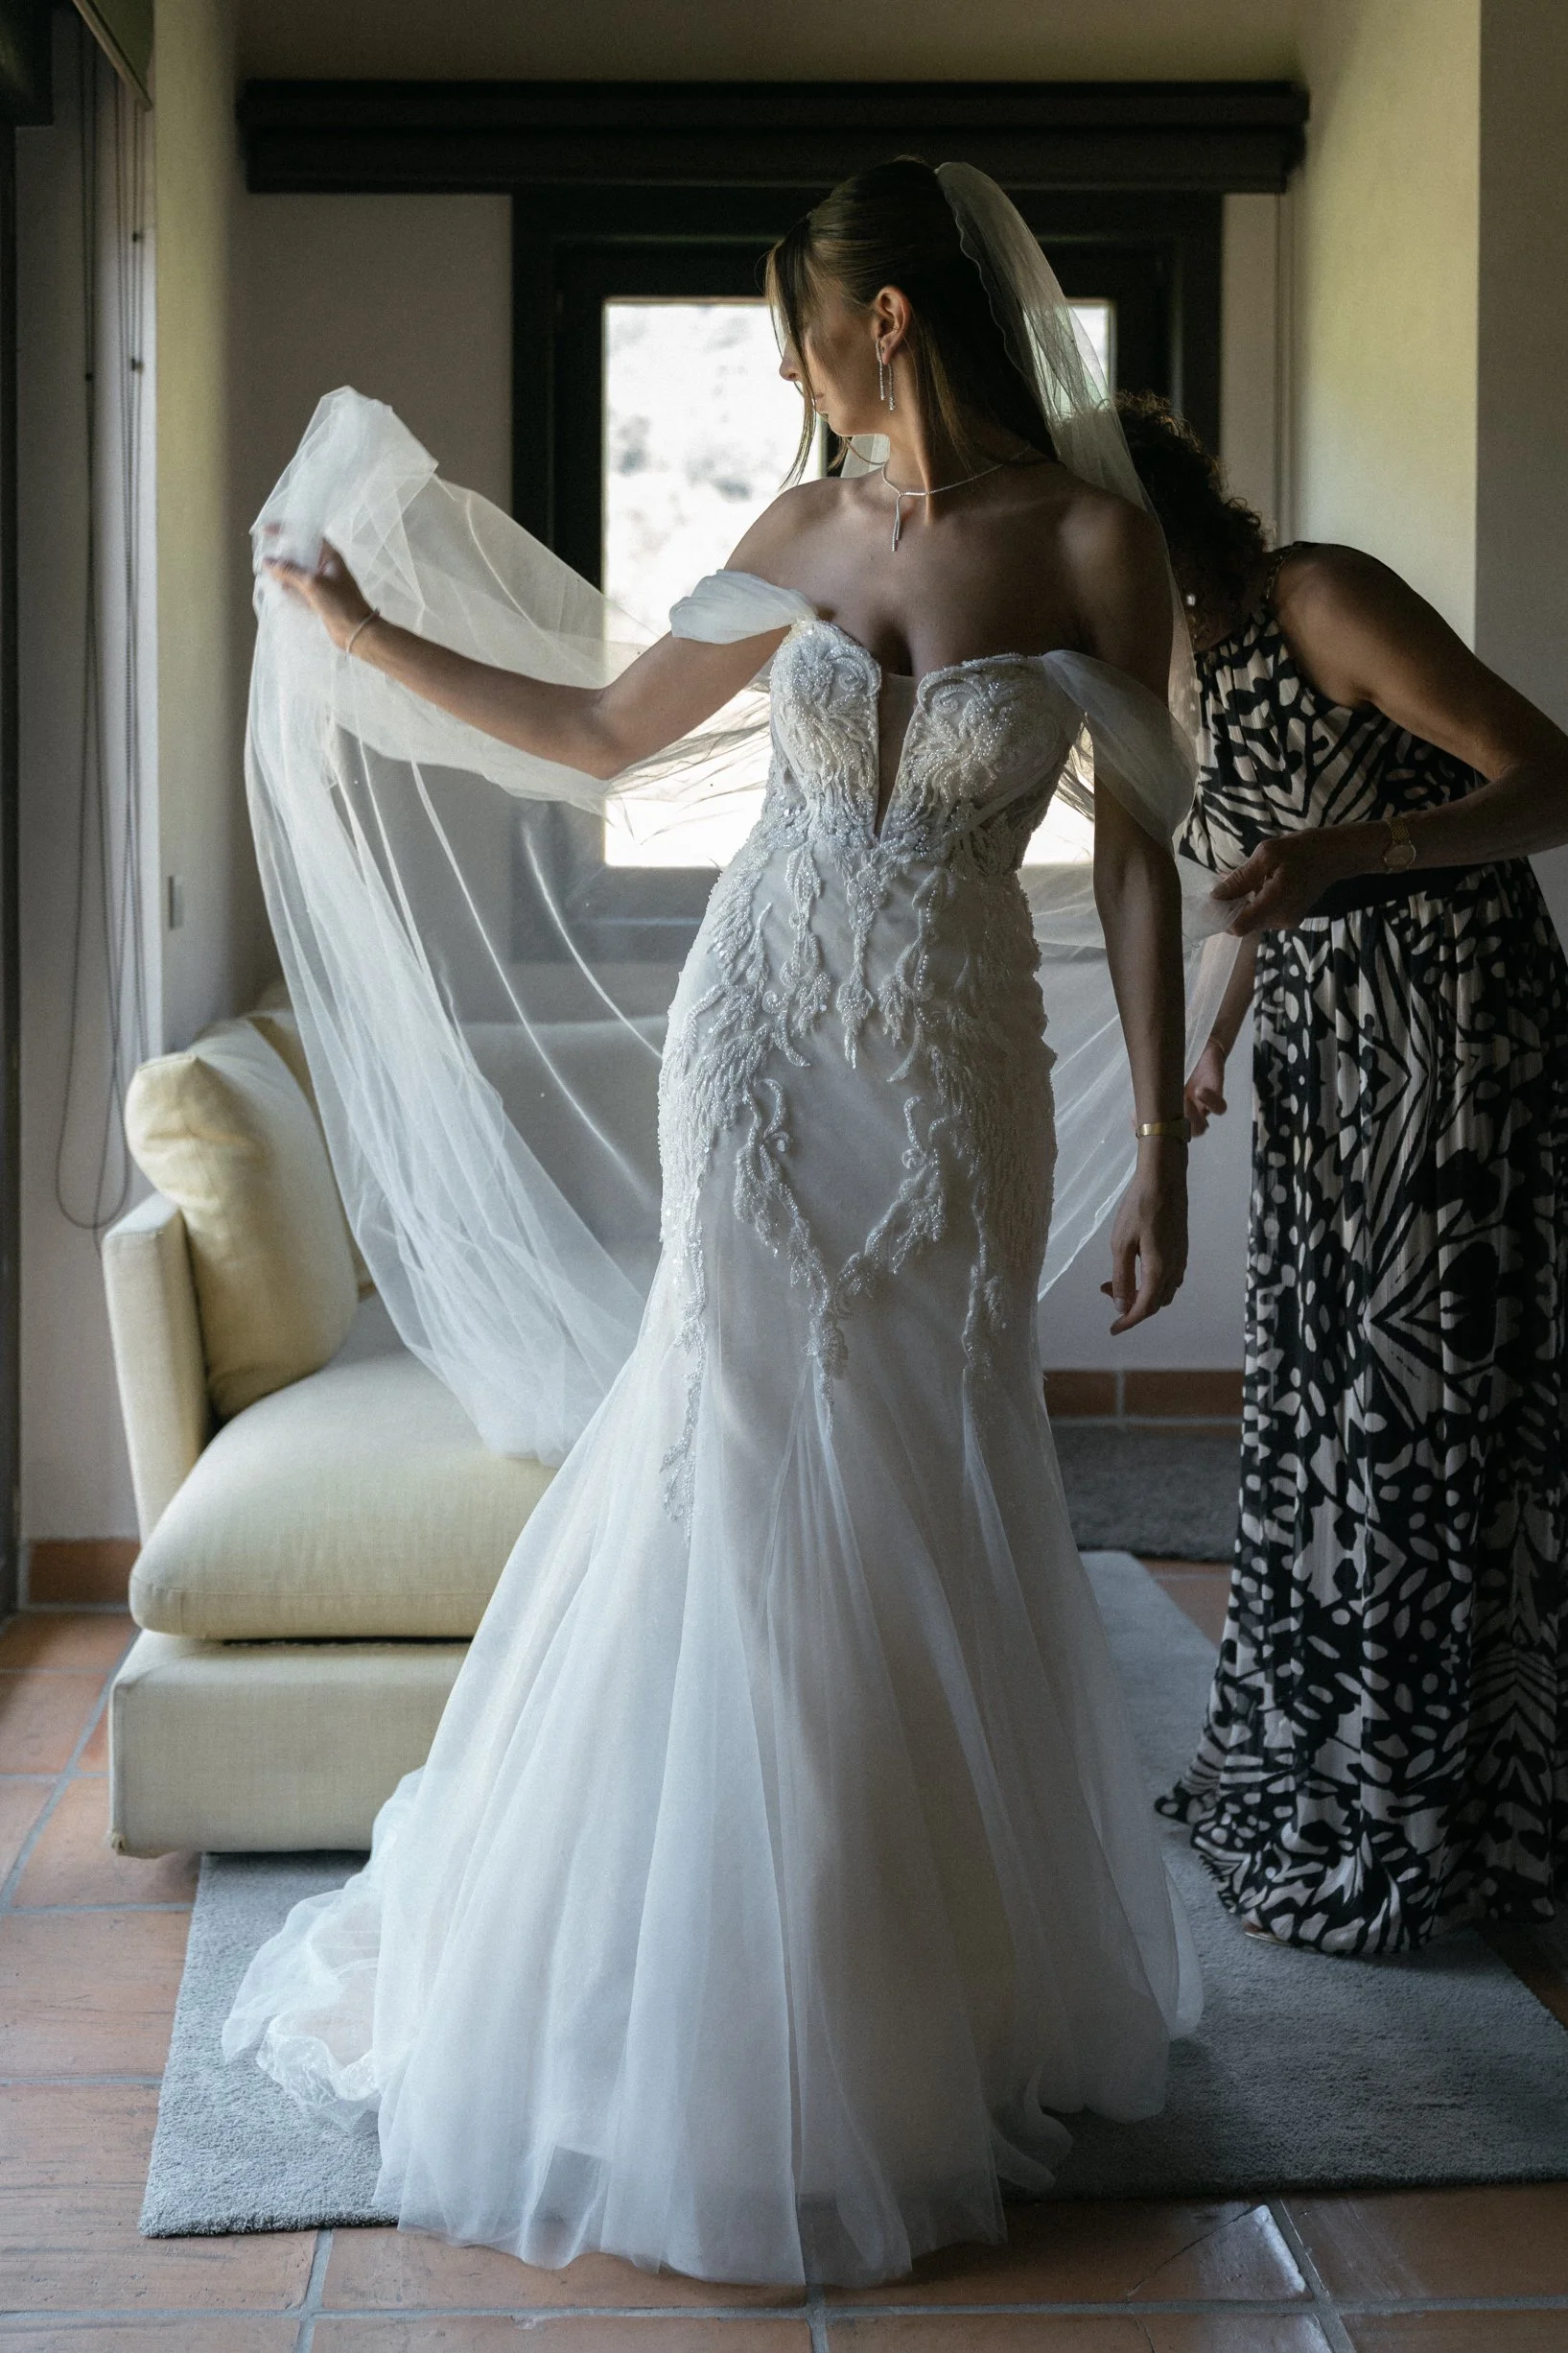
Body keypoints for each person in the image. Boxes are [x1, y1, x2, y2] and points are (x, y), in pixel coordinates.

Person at [221, 160, 1208, 2289]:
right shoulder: (794, 532)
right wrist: (365, 635)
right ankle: (717, 1983)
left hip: (953, 1074)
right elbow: (593, 735)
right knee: (742, 1465)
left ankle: (916, 1983)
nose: (780, 365)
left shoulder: (1097, 544)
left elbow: (1139, 851)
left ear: (888, 325)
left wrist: (1166, 1148)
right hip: (751, 1047)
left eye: (799, 324)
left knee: (930, 1475)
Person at [1118, 392, 1568, 1958]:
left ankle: (1440, 1810)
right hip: (1325, 1057)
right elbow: (1271, 876)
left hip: (1453, 1042)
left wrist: (1340, 863)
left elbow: (1549, 781)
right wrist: (1222, 1030)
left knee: (1423, 1416)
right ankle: (1334, 1766)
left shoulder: (1318, 596)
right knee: (1325, 1410)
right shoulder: (1157, 674)